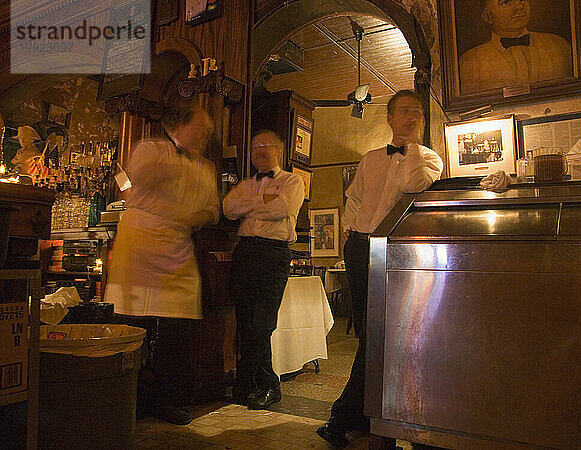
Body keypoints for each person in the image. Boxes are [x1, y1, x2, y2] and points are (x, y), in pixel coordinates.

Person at [316, 90, 443, 448]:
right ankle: (370, 418)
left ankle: (353, 417)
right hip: (360, 246)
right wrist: (349, 230)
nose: (411, 117)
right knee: (370, 335)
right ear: (388, 118)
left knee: (386, 335)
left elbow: (412, 184)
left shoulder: (429, 158)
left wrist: (414, 146)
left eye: (417, 113)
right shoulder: (370, 158)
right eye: (403, 111)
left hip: (395, 249)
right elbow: (354, 197)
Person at [105, 95, 220, 425]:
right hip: (140, 243)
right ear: (179, 126)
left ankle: (170, 399)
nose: (205, 136)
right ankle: (126, 396)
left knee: (177, 328)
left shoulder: (206, 167)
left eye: (209, 132)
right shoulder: (150, 149)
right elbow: (132, 176)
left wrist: (200, 214)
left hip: (178, 246)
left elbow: (213, 207)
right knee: (132, 323)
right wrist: (174, 166)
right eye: (201, 128)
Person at [223, 130, 304, 410]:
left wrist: (249, 207)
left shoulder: (293, 181)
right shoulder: (245, 183)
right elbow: (228, 208)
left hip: (273, 255)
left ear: (278, 150)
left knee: (262, 324)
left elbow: (281, 208)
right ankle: (263, 384)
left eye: (264, 146)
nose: (258, 150)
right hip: (244, 252)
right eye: (254, 146)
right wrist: (262, 202)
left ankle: (254, 382)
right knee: (246, 324)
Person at [459, 0, 572, 94]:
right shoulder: (470, 62)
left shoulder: (559, 46)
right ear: (488, 17)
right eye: (506, 2)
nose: (519, 6)